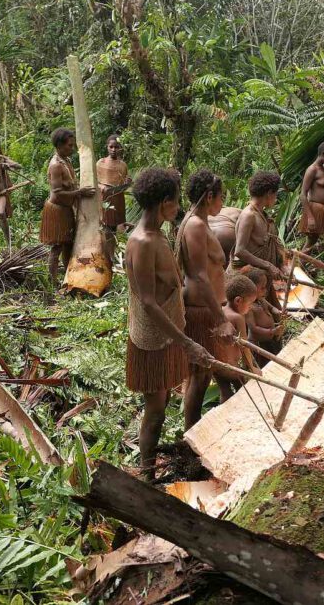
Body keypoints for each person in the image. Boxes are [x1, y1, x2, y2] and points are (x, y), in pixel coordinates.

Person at [125, 168, 211, 479]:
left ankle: (149, 469)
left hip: (163, 332)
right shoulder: (144, 242)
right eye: (175, 202)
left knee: (158, 406)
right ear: (164, 203)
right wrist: (185, 342)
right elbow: (148, 300)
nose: (179, 209)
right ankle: (147, 474)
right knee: (156, 410)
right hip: (154, 337)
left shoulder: (156, 233)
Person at [177, 169, 235, 430]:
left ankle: (214, 417)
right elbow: (199, 276)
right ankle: (191, 432)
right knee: (199, 377)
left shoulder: (199, 221)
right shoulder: (196, 225)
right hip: (202, 310)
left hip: (208, 307)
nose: (222, 203)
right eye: (220, 197)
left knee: (207, 372)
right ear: (209, 196)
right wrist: (221, 318)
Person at [40, 128, 96, 289]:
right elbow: (57, 194)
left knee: (68, 244)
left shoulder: (66, 161)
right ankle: (52, 283)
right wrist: (79, 193)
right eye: (69, 146)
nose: (72, 149)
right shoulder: (56, 165)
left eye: (73, 145)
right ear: (59, 145)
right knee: (57, 246)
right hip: (57, 209)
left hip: (65, 209)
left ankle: (68, 277)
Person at [232, 171, 285, 305]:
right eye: (275, 194)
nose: (276, 198)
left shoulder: (261, 214)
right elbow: (240, 251)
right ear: (269, 193)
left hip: (260, 279)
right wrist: (268, 265)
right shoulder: (248, 215)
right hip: (247, 280)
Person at [218, 273, 263, 399]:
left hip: (216, 366)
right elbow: (244, 345)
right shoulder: (237, 318)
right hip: (231, 366)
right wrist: (251, 367)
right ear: (238, 301)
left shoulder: (220, 311)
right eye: (249, 304)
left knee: (225, 392)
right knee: (243, 390)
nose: (249, 309)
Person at [97, 135, 131, 263]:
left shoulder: (123, 165)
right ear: (107, 147)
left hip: (117, 198)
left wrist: (127, 183)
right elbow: (94, 181)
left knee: (114, 228)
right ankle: (104, 255)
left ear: (120, 148)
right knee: (105, 227)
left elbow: (123, 184)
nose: (113, 149)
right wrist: (101, 187)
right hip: (104, 198)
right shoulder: (101, 163)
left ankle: (111, 256)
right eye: (111, 147)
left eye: (116, 147)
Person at [243, 267, 282, 364]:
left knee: (276, 359)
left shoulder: (261, 300)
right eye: (262, 287)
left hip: (271, 339)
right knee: (267, 365)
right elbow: (254, 329)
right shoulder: (249, 307)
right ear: (251, 288)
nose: (265, 291)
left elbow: (272, 308)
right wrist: (272, 331)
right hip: (260, 345)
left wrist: (279, 312)